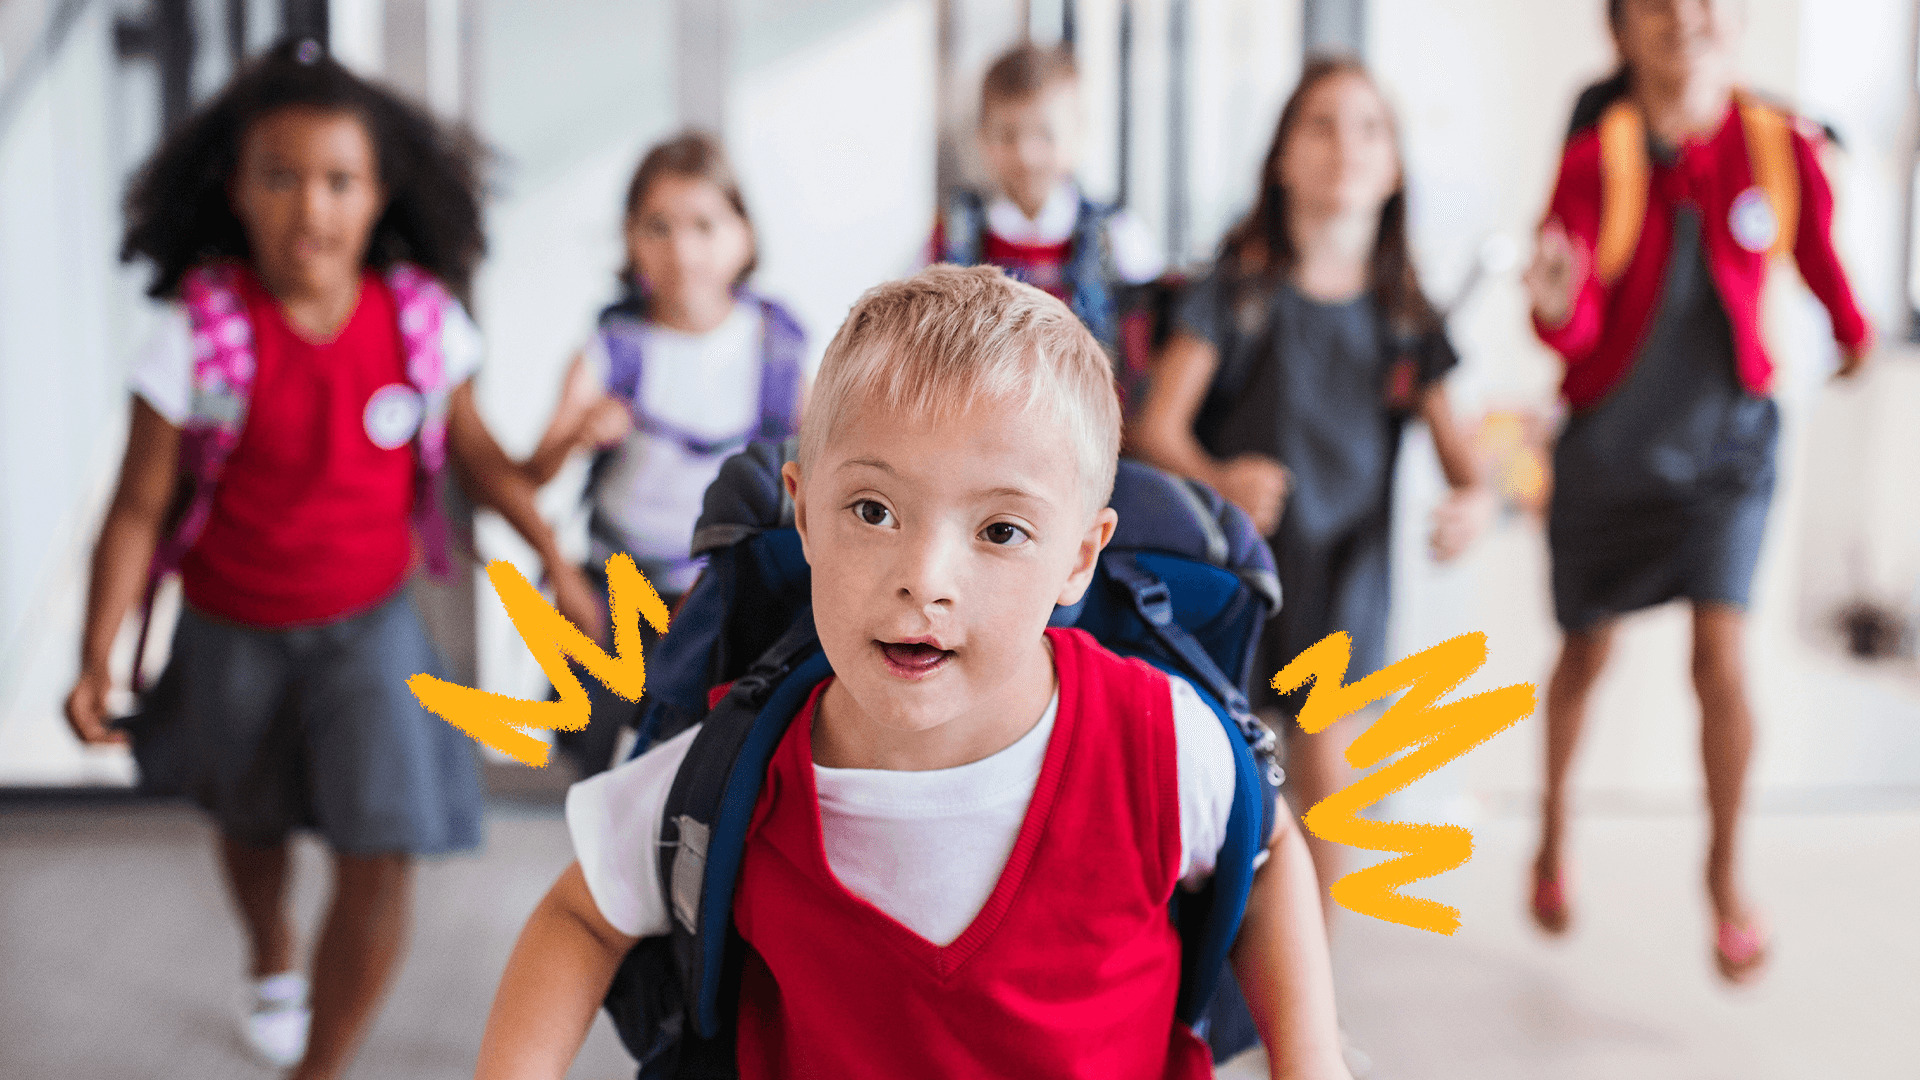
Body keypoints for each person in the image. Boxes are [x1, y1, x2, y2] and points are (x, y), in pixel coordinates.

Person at [473, 266, 1351, 1080]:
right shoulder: (736, 769)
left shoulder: (1159, 743)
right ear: (806, 515)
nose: (924, 579)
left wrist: (1309, 1061)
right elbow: (581, 916)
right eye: (873, 510)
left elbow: (1269, 851)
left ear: (1080, 560)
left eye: (1001, 530)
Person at [62, 40, 598, 1080]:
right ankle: (270, 947)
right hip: (231, 629)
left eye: (339, 180)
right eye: (281, 177)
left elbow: (478, 461)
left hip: (372, 625)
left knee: (381, 846)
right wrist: (93, 654)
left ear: (379, 192)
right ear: (237, 191)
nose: (312, 208)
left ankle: (322, 1066)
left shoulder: (420, 322)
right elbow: (136, 509)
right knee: (251, 825)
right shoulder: (195, 334)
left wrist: (556, 559)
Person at [1524, 0, 1871, 983]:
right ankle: (1553, 832)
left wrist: (1852, 334)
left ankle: (1724, 876)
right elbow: (1573, 316)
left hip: (1731, 450)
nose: (1686, 18)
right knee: (1585, 654)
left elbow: (1818, 261)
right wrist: (1554, 304)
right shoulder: (1600, 158)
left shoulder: (1777, 145)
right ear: (1622, 32)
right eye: (1657, 5)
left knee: (1721, 653)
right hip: (1612, 452)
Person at [1129, 57, 1491, 925]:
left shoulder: (1407, 312)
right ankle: (1212, 959)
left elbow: (1465, 461)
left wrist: (1472, 505)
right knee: (1224, 769)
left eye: (1370, 127)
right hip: (1239, 566)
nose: (1345, 146)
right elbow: (1155, 428)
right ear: (1283, 158)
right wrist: (1217, 478)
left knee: (1326, 761)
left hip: (1344, 570)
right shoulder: (1238, 292)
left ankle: (1312, 982)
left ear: (1396, 165)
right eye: (1320, 125)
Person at [517, 132, 806, 776]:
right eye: (658, 226)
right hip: (616, 593)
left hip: (730, 594)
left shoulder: (779, 347)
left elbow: (822, 472)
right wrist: (577, 434)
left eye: (704, 225)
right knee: (602, 774)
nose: (682, 249)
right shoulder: (612, 347)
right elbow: (531, 475)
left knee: (714, 766)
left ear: (746, 234)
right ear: (628, 239)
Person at [931, 42, 1164, 354]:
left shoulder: (1118, 235)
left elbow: (1147, 347)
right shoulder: (950, 236)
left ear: (1078, 135)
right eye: (1007, 135)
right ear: (982, 137)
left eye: (1046, 134)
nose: (1026, 155)